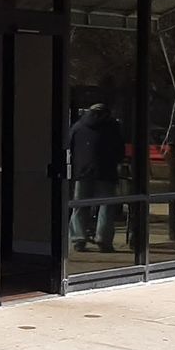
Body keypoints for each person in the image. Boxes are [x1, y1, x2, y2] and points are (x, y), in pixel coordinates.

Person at [67, 102, 124, 252]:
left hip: (82, 171)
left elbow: (70, 146)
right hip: (106, 171)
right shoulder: (112, 127)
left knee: (80, 206)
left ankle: (78, 238)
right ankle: (103, 239)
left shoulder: (78, 126)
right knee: (106, 206)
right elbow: (119, 150)